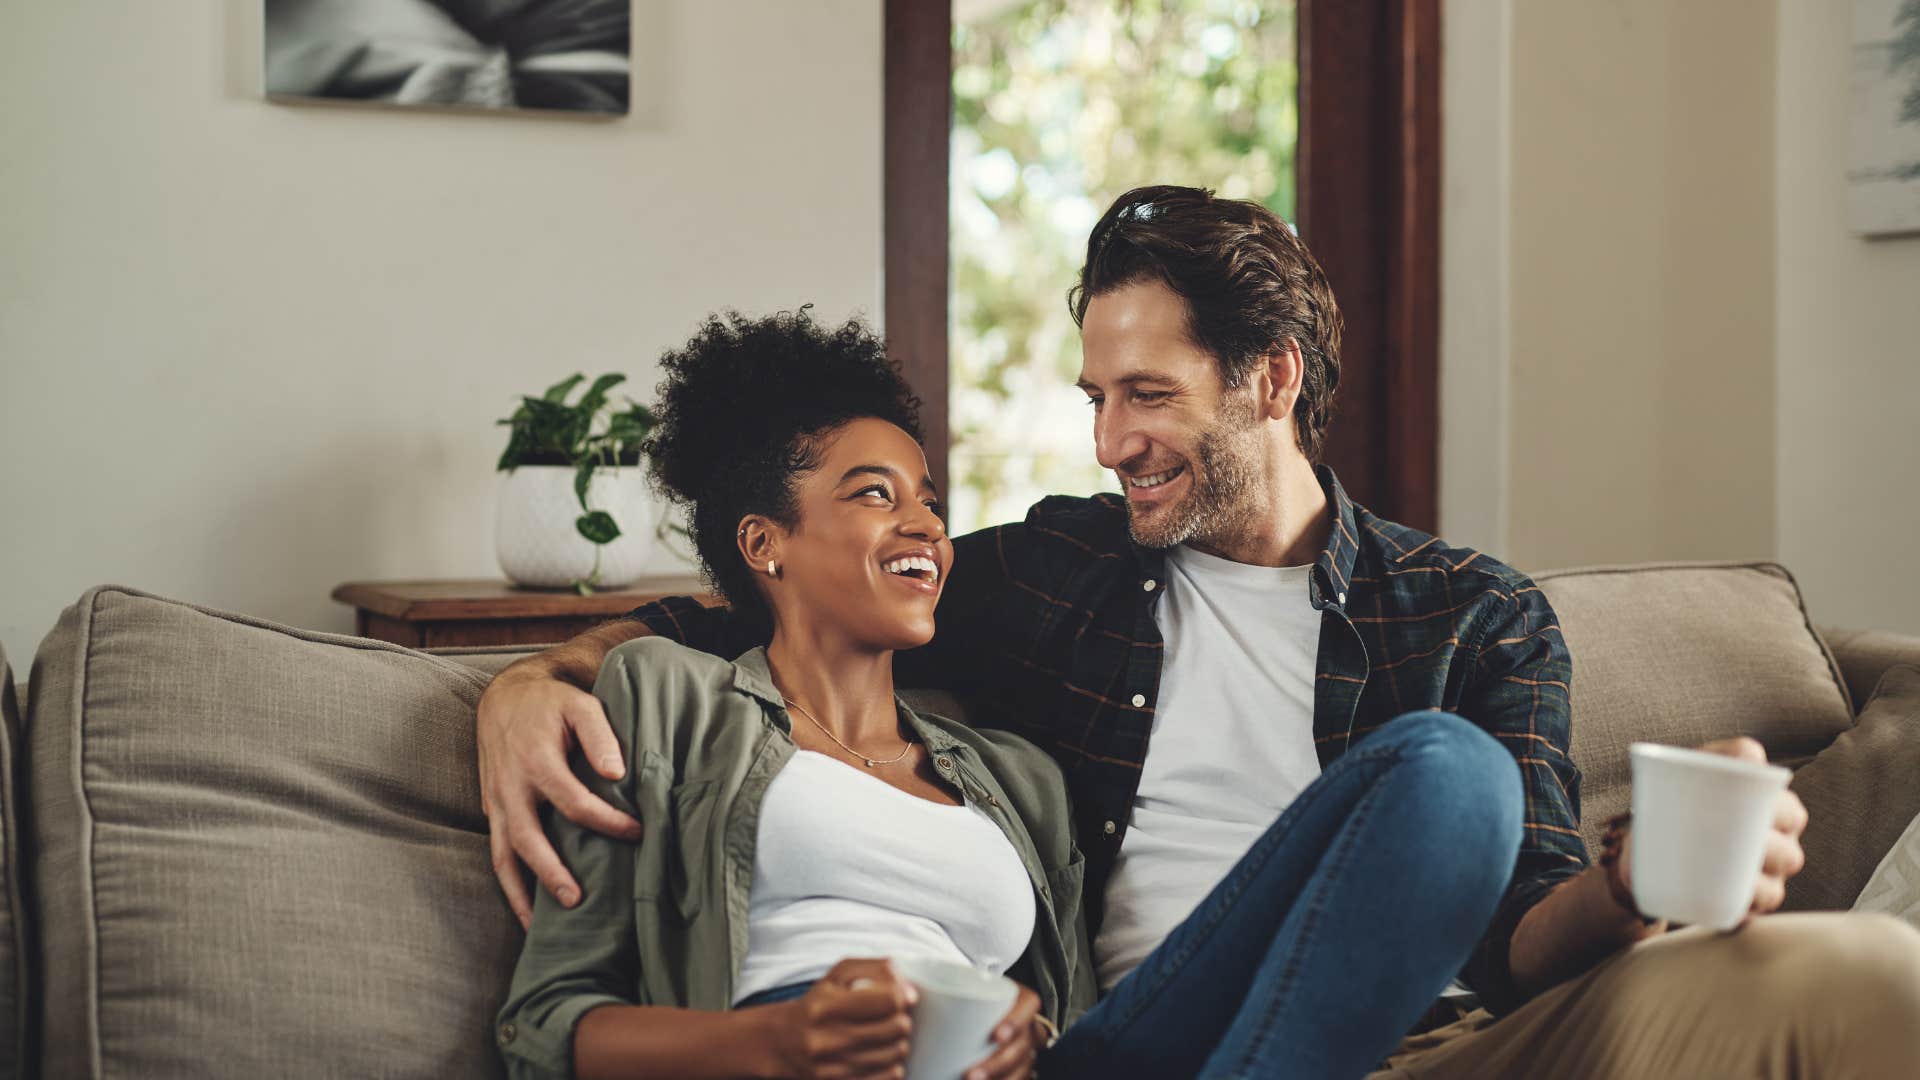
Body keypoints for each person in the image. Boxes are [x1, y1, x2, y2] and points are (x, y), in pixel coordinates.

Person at [482, 188, 1920, 1077]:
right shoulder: (1055, 570)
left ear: (1269, 380)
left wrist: (1638, 882)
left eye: (1148, 397)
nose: (1110, 441)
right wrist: (532, 681)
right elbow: (752, 610)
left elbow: (1533, 940)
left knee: (1466, 785)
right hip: (1147, 1043)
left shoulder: (1471, 614)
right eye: (1097, 399)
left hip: (1427, 1041)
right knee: (1447, 771)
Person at [495, 310, 1086, 1079]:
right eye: (875, 495)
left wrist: (1031, 1036)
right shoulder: (665, 701)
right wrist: (777, 1040)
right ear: (764, 543)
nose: (927, 528)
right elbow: (543, 1027)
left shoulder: (1020, 779)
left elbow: (1081, 1024)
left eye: (931, 503)